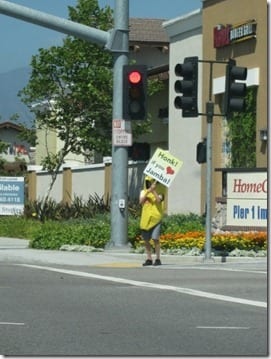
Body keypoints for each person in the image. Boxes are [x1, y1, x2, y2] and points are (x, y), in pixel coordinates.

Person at [139, 175, 166, 266]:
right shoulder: (143, 192)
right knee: (146, 240)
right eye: (148, 182)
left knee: (155, 238)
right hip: (145, 219)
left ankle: (158, 259)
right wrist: (148, 192)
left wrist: (153, 191)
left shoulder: (161, 191)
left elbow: (159, 200)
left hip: (156, 218)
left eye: (151, 182)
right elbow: (141, 202)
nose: (150, 184)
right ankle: (149, 258)